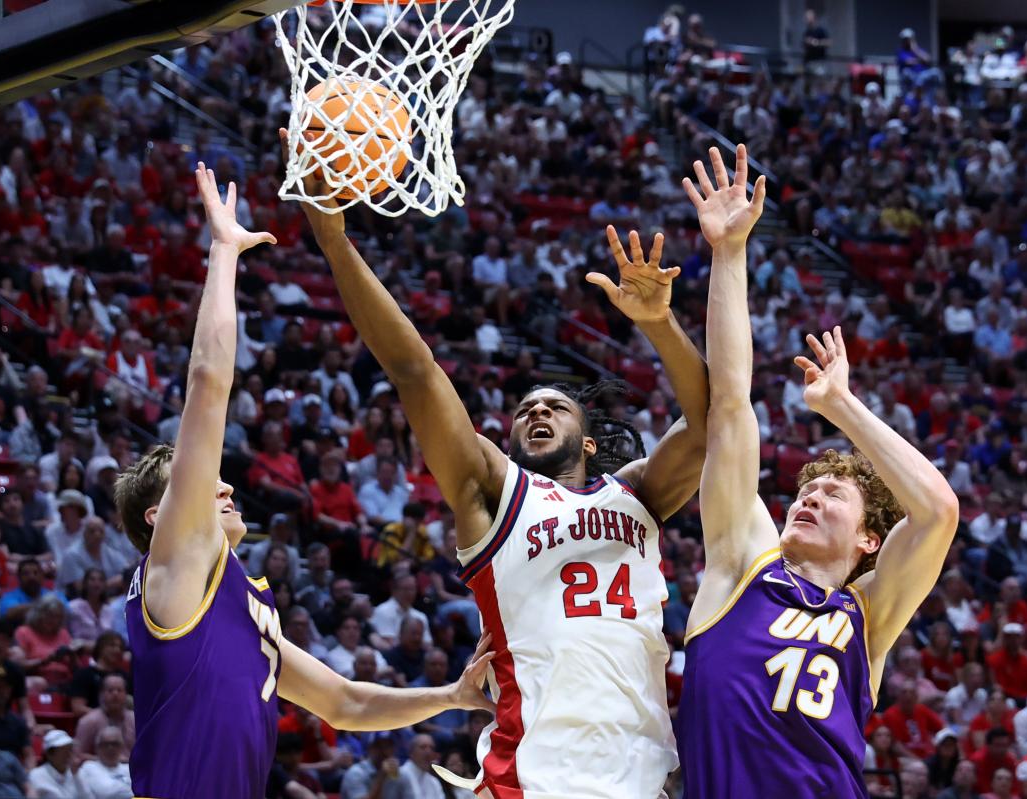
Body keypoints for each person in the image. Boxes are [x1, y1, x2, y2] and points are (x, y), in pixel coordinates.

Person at [288, 125, 710, 798]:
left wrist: (659, 323)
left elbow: (715, 422)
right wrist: (335, 241)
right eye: (524, 409)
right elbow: (414, 371)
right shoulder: (494, 494)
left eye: (555, 406)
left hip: (642, 776)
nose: (536, 412)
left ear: (591, 440)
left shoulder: (638, 493)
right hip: (530, 777)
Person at [113, 164, 494, 799]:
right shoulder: (176, 559)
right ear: (160, 516)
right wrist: (223, 251)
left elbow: (345, 703)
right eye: (209, 484)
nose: (228, 488)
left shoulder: (240, 610)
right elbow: (208, 384)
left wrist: (452, 696)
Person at [675, 145, 960, 798]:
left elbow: (939, 512)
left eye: (832, 494)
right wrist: (728, 252)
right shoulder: (740, 564)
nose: (807, 499)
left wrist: (841, 405)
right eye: (804, 490)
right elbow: (728, 406)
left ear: (870, 539)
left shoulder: (869, 614)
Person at [76, 727, 132, 799]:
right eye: (105, 744)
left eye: (114, 744)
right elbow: (106, 792)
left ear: (121, 747)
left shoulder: (128, 769)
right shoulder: (89, 767)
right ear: (97, 748)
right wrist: (128, 787)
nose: (110, 748)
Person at [28, 730, 80, 798]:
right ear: (49, 754)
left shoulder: (76, 773)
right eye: (63, 751)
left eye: (70, 749)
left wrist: (77, 777)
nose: (68, 755)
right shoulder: (35, 776)